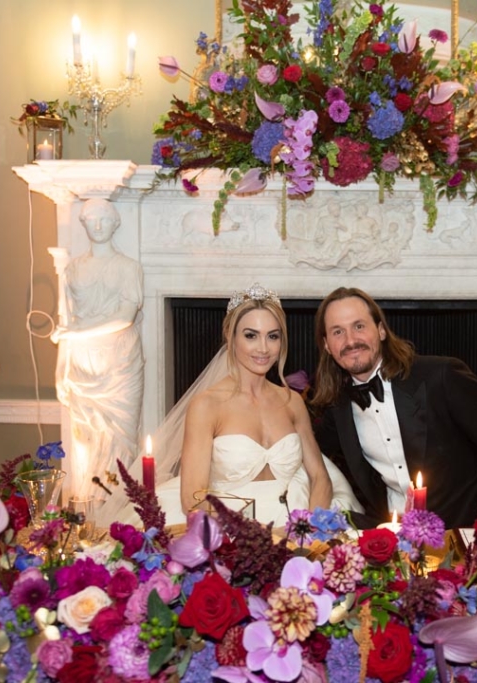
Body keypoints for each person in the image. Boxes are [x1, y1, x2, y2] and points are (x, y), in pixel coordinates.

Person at [94, 284, 363, 528]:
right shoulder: (206, 405)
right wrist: (249, 540)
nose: (263, 348)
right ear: (231, 337)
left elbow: (320, 477)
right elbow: (193, 497)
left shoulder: (292, 401)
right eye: (250, 335)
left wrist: (307, 529)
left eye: (273, 336)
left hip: (296, 519)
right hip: (231, 527)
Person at [311, 287, 477, 529]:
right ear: (326, 345)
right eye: (338, 332)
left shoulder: (442, 376)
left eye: (359, 326)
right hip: (391, 539)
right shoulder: (337, 409)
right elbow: (305, 452)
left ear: (382, 330)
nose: (351, 340)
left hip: (460, 535)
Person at [52, 198, 144, 501]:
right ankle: (88, 508)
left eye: (104, 219)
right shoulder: (73, 269)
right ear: (84, 224)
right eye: (91, 219)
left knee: (121, 438)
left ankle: (117, 507)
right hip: (82, 361)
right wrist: (60, 370)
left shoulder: (129, 268)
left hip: (119, 361)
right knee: (86, 439)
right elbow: (66, 321)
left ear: (116, 223)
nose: (99, 225)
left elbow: (124, 317)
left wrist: (76, 332)